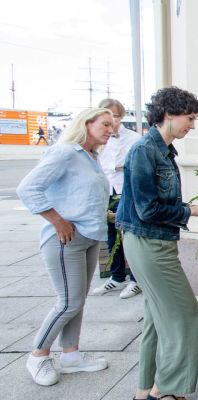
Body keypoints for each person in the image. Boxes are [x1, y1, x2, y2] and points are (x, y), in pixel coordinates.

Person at [116, 87, 198, 400]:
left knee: (157, 320)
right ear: (168, 114)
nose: (193, 125)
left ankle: (145, 390)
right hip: (150, 245)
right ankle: (168, 391)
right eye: (190, 118)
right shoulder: (146, 149)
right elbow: (148, 209)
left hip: (152, 242)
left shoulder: (161, 149)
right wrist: (192, 209)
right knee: (186, 316)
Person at [16, 108, 115, 386]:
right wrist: (57, 220)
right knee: (68, 301)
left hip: (89, 237)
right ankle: (38, 355)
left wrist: (107, 215)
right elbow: (28, 188)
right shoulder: (65, 153)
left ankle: (71, 356)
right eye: (105, 124)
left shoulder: (90, 157)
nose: (111, 130)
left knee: (77, 301)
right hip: (66, 239)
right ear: (86, 123)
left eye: (112, 126)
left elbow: (80, 195)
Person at [91, 98, 142, 299]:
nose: (112, 122)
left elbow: (133, 165)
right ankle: (116, 276)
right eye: (107, 118)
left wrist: (117, 167)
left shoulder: (134, 138)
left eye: (116, 117)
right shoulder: (99, 141)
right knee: (112, 236)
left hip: (126, 191)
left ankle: (136, 280)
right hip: (107, 191)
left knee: (129, 235)